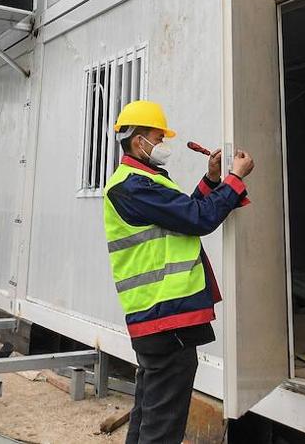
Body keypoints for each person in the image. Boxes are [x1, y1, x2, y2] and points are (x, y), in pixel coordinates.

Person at [103, 100, 254, 444]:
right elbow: (196, 218)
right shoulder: (133, 186)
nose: (163, 144)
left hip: (159, 318)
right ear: (138, 139)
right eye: (158, 137)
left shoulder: (142, 181)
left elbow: (181, 215)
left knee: (148, 417)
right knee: (163, 428)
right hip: (165, 316)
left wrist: (213, 179)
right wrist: (235, 179)